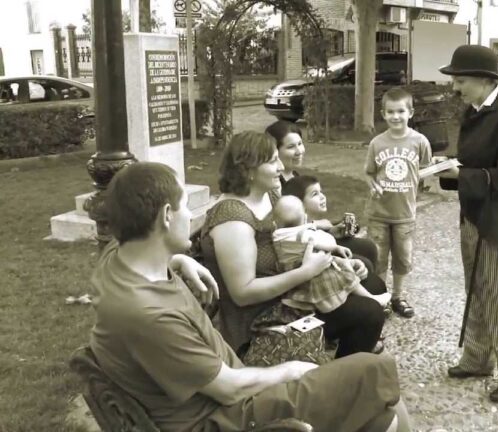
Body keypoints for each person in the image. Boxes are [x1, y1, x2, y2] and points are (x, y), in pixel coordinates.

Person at [90, 161, 412, 432]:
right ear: (166, 216)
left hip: (223, 393)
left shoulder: (118, 264)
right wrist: (290, 370)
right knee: (375, 371)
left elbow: (129, 244)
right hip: (227, 416)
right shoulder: (151, 316)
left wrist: (177, 260)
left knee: (383, 414)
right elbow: (229, 388)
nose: (190, 215)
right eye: (185, 206)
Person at [199, 131, 386, 359]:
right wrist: (306, 272)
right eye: (272, 161)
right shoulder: (232, 220)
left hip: (290, 295)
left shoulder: (269, 195)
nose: (280, 166)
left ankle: (335, 356)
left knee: (373, 284)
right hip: (262, 319)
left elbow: (293, 236)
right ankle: (337, 373)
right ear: (247, 170)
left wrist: (336, 262)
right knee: (369, 312)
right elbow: (243, 293)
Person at [437, 45, 498, 403]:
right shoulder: (475, 111)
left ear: (484, 80)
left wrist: (461, 175)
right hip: (474, 216)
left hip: (497, 223)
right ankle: (478, 358)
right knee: (477, 291)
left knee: (497, 297)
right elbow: (473, 164)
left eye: (460, 81)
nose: (455, 87)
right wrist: (448, 169)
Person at [266, 119, 381, 272]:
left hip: (311, 236)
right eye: (291, 147)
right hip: (299, 249)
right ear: (275, 151)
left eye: (300, 144)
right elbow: (285, 231)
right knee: (364, 261)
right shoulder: (275, 186)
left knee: (368, 247)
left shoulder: (295, 176)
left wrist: (331, 230)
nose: (299, 151)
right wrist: (318, 225)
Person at [364, 87, 432, 319]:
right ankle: (380, 298)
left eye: (401, 111)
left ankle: (398, 297)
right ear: (383, 114)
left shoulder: (420, 141)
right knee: (378, 259)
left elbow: (426, 169)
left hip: (404, 214)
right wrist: (372, 184)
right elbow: (369, 173)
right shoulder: (377, 143)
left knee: (403, 258)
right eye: (390, 112)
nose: (396, 116)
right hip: (378, 213)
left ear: (410, 113)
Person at [272, 195, 391, 312]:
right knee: (347, 279)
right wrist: (316, 231)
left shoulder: (277, 236)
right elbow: (329, 243)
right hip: (315, 273)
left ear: (275, 223)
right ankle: (372, 298)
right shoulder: (304, 234)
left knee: (350, 264)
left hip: (291, 273)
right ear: (304, 217)